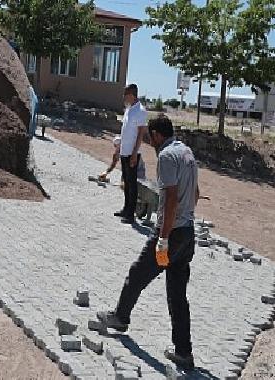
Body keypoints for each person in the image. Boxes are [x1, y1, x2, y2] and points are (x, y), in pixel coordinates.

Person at [97, 116, 199, 371]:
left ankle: (120, 317)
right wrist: (183, 221)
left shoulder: (166, 157)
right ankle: (184, 353)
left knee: (139, 272)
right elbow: (195, 193)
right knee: (177, 295)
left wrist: (163, 239)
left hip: (170, 237)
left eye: (149, 137)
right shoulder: (186, 152)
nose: (148, 142)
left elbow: (171, 198)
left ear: (155, 134)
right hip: (187, 236)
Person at [116, 84, 148, 224]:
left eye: (125, 94)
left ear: (132, 95)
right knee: (126, 182)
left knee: (132, 184)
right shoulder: (129, 110)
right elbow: (125, 131)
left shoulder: (140, 111)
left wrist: (135, 153)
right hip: (124, 151)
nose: (124, 97)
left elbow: (141, 133)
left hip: (132, 153)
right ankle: (126, 208)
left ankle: (131, 214)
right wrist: (119, 148)